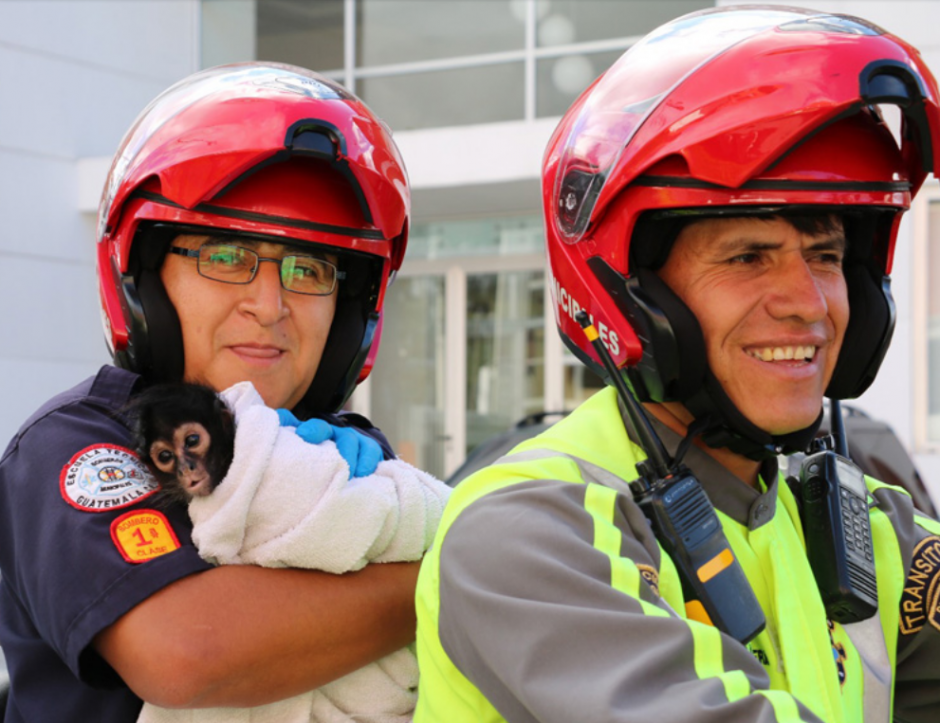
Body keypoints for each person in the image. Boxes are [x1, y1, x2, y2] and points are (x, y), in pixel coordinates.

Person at [415, 7, 940, 723]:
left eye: (825, 256)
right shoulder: (527, 533)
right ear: (637, 298)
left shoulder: (858, 524)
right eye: (749, 257)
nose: (808, 303)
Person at [0, 62, 420, 722]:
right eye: (225, 256)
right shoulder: (75, 442)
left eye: (309, 268)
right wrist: (455, 574)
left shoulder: (348, 449)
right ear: (145, 279)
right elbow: (185, 655)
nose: (270, 303)